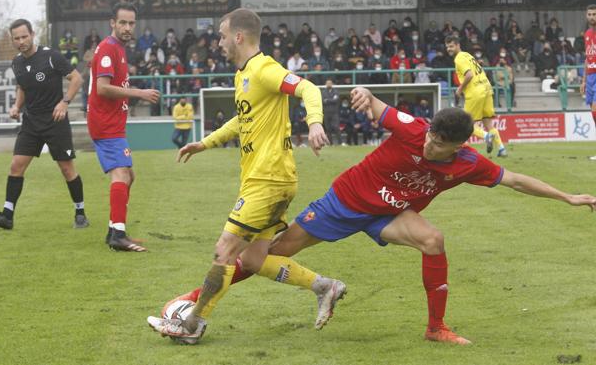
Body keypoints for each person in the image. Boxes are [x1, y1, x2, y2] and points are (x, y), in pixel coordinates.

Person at [167, 87, 596, 345]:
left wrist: (568, 197)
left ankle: (436, 327)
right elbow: (376, 105)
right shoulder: (412, 127)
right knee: (269, 253)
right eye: (429, 137)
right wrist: (362, 97)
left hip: (389, 213)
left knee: (434, 239)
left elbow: (516, 179)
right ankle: (192, 300)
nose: (429, 146)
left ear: (459, 145)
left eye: (439, 144)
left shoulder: (468, 163)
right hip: (344, 201)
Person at [146, 8, 337, 343]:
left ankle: (192, 325)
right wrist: (204, 143)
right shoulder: (243, 74)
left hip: (269, 179)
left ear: (238, 36)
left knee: (225, 251)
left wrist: (315, 122)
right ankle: (325, 287)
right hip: (263, 179)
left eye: (221, 36)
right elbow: (241, 121)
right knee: (253, 259)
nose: (218, 42)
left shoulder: (264, 69)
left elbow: (308, 88)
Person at [0, 19, 88, 230]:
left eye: (24, 36)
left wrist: (64, 103)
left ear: (32, 34)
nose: (21, 41)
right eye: (16, 38)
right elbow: (22, 87)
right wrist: (15, 106)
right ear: (12, 40)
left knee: (67, 168)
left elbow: (77, 79)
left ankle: (80, 213)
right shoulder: (17, 62)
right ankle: (7, 216)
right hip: (31, 122)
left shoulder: (51, 56)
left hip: (55, 121)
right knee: (16, 166)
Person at [87, 2, 160, 251]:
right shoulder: (108, 48)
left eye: (131, 23)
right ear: (112, 23)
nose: (128, 27)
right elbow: (102, 88)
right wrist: (138, 92)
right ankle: (118, 234)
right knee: (121, 174)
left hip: (113, 123)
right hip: (106, 124)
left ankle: (114, 229)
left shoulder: (118, 48)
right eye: (123, 23)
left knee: (129, 175)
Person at [445, 36, 507, 157]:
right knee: (488, 122)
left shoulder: (459, 59)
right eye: (447, 47)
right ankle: (501, 149)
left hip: (475, 92)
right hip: (487, 88)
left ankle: (486, 136)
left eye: (451, 46)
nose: (449, 49)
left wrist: (459, 89)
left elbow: (469, 75)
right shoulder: (467, 55)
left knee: (466, 124)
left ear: (458, 45)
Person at [581, 4, 596, 161]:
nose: (592, 17)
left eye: (594, 14)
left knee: (595, 110)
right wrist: (584, 80)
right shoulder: (587, 34)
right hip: (591, 77)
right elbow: (587, 58)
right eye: (590, 14)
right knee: (593, 114)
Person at [321, 79, 341, 145]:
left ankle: (340, 143)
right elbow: (323, 101)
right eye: (327, 83)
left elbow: (336, 100)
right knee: (328, 129)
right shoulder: (323, 92)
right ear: (325, 84)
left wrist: (327, 100)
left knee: (336, 128)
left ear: (332, 84)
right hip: (326, 113)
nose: (329, 84)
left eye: (330, 83)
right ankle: (330, 143)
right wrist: (331, 100)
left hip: (334, 113)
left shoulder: (336, 91)